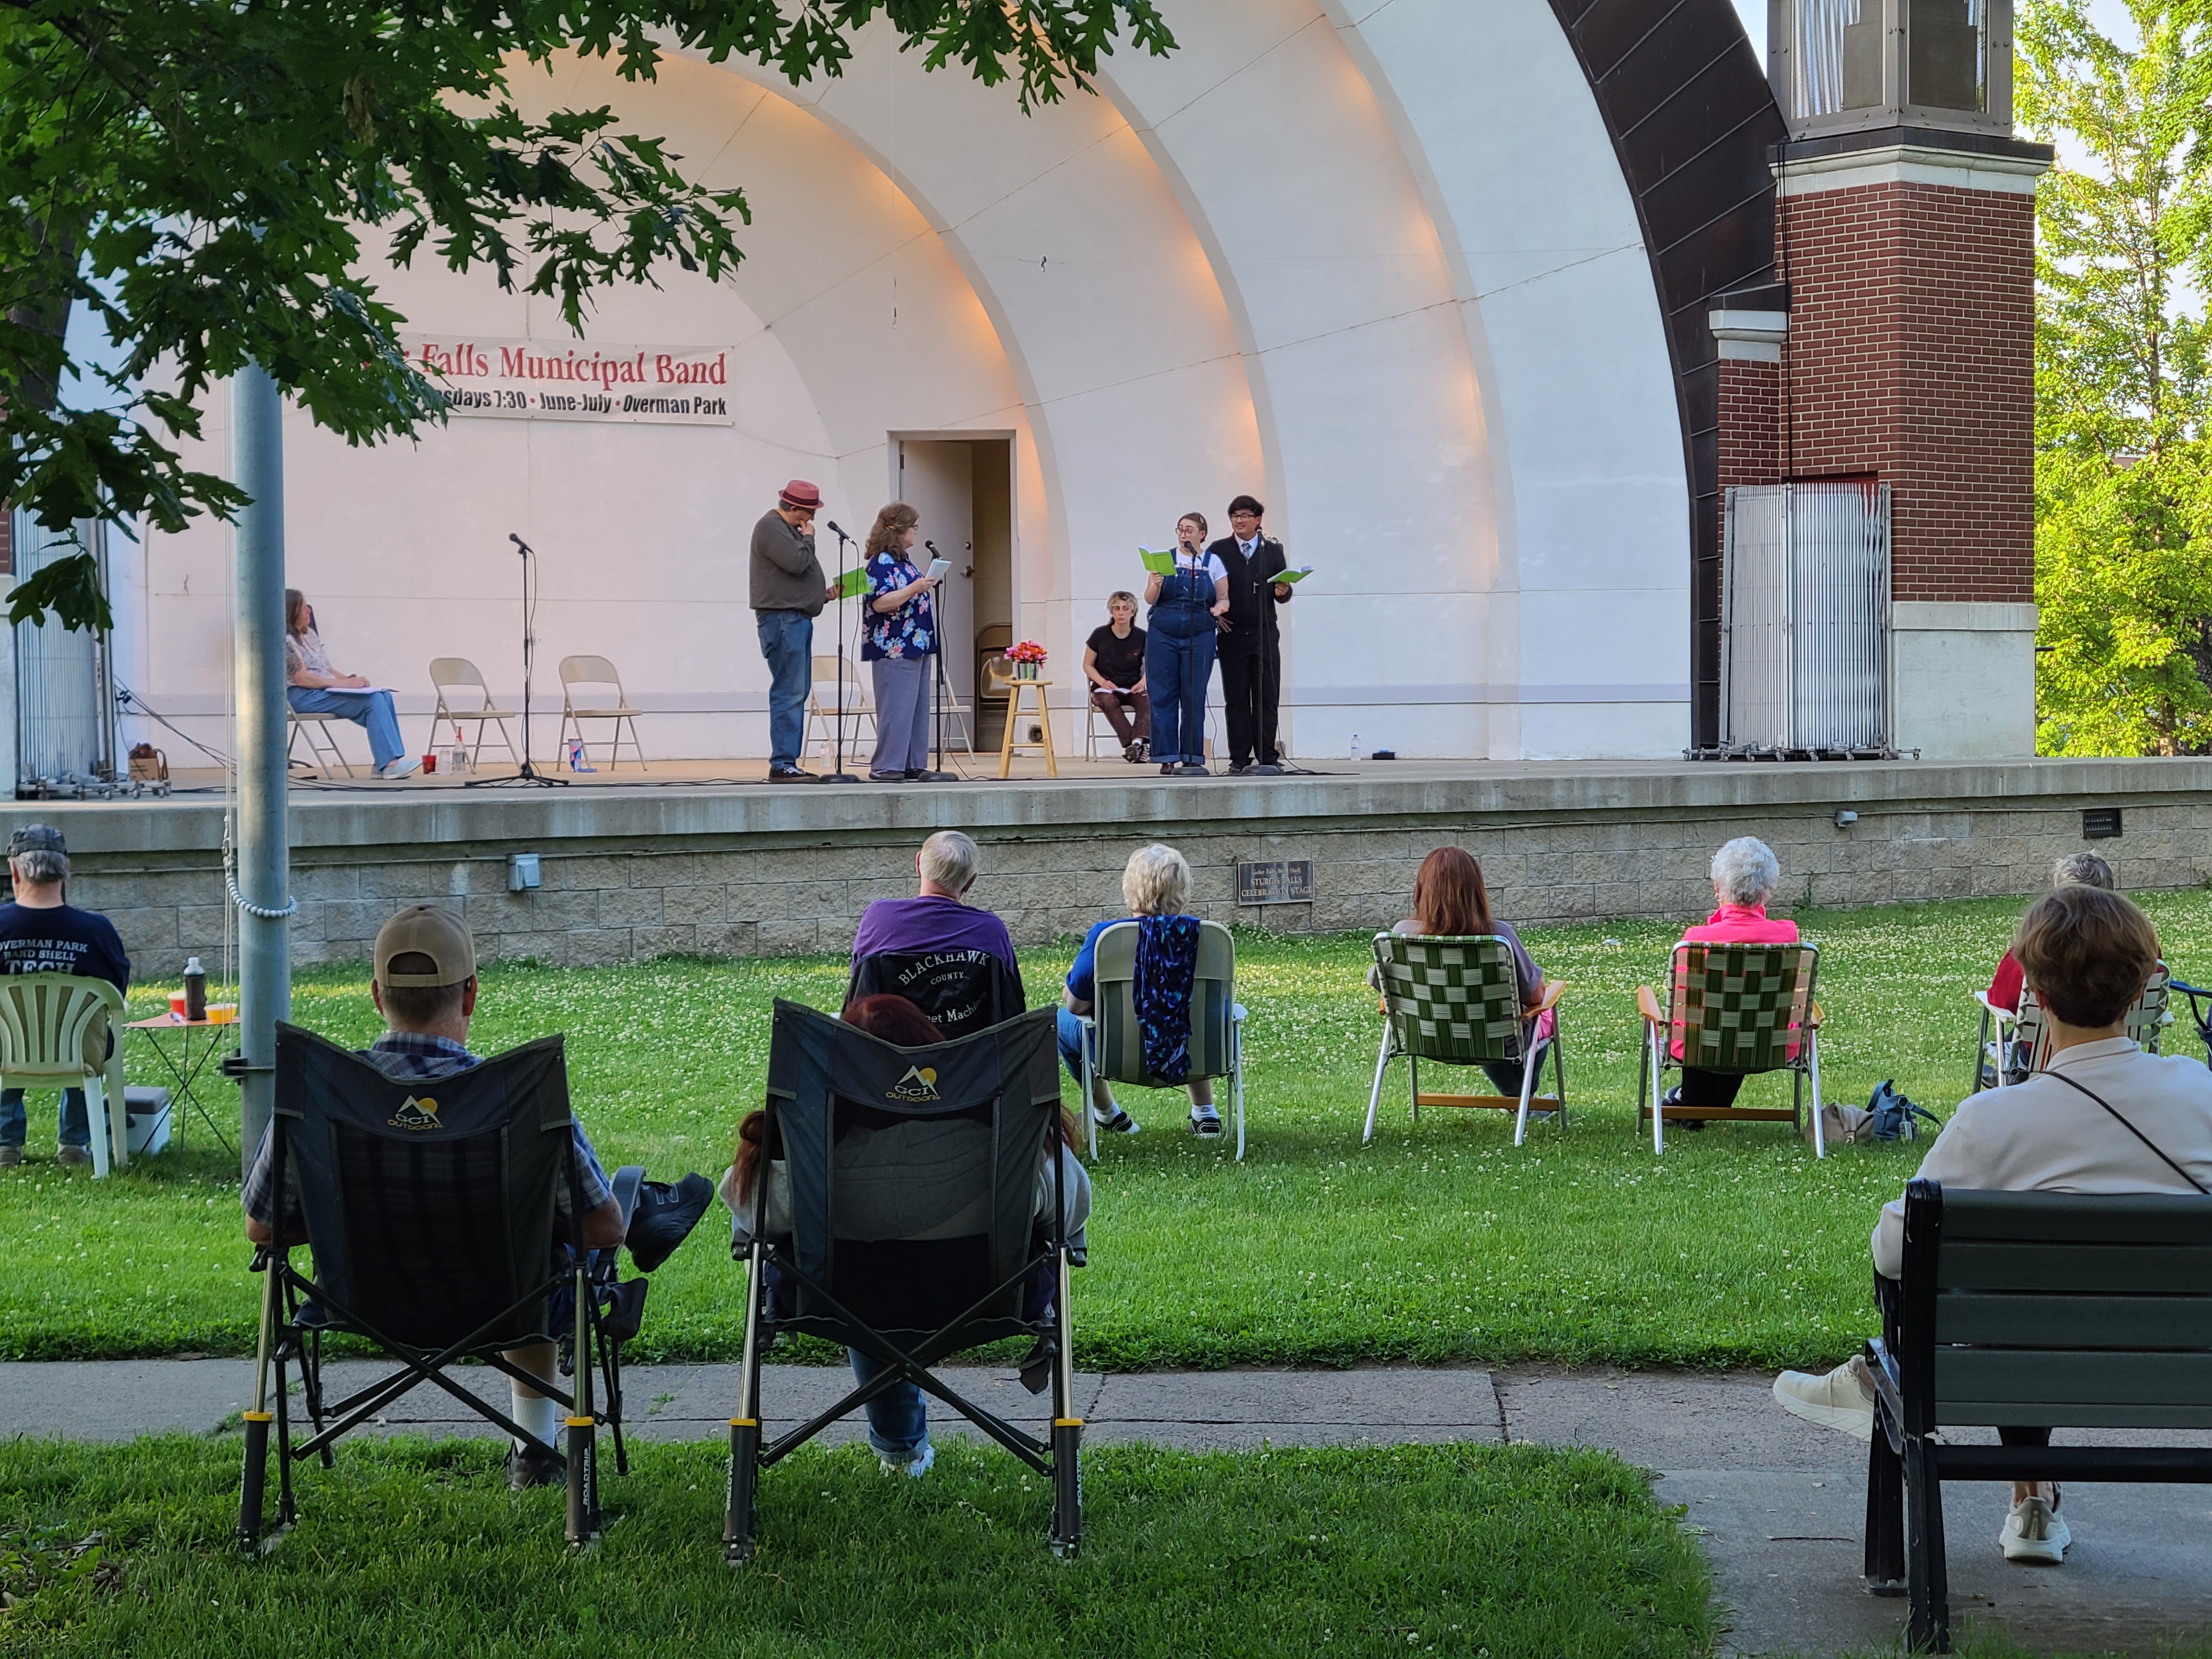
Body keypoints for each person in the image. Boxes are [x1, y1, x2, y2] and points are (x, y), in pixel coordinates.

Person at [1774, 886, 2212, 1567]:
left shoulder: (1995, 1120)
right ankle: (2027, 1496)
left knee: (1999, 1295)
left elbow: (1891, 1252)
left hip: (2016, 1367)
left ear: (2031, 988)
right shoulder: (2202, 1095)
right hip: (2188, 1369)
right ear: (2143, 988)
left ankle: (1891, 1389)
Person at [241, 905, 627, 1492]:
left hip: (362, 1301)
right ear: (470, 995)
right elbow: (602, 1230)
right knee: (550, 1261)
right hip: (505, 1300)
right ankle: (535, 1450)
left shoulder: (320, 1096)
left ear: (376, 995)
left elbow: (262, 1230)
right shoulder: (520, 1100)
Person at [720, 994, 1092, 1477]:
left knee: (866, 1280)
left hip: (840, 1301)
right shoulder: (1006, 1140)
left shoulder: (806, 1155)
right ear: (937, 1052)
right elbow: (1070, 1212)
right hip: (989, 1297)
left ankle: (901, 1452)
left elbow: (750, 1213)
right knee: (895, 1275)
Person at [1058, 843, 1223, 1138]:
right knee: (1190, 1013)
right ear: (1183, 889)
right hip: (1192, 1050)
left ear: (1131, 888)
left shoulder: (1106, 938)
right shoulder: (1209, 938)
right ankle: (1206, 1113)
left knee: (1060, 1022)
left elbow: (1075, 1007)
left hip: (1119, 1055)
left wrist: (1071, 987)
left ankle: (1108, 1114)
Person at [1374, 847, 1552, 1102]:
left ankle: (1520, 1100)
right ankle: (1523, 1099)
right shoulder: (1499, 937)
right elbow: (1537, 996)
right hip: (1495, 1041)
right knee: (1543, 1014)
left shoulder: (1403, 935)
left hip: (1425, 1037)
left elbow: (1384, 986)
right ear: (1476, 891)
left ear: (1422, 889)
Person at [0, 825, 129, 1169]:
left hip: (5, 1052)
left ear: (14, 871)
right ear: (66, 871)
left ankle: (5, 1144)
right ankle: (75, 1143)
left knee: (7, 1036)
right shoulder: (97, 931)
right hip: (80, 1054)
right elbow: (117, 994)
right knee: (84, 1031)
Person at [1657, 837, 1799, 1126]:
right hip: (1771, 1044)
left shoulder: (1696, 941)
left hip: (1701, 1046)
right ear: (1769, 890)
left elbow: (1687, 1004)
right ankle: (1694, 1104)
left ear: (1718, 887)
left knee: (1710, 1022)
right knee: (1739, 1019)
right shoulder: (1787, 937)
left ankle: (1690, 1104)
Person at [848, 831, 1025, 1028]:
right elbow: (1011, 1002)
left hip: (890, 1053)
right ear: (971, 881)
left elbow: (860, 988)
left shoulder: (878, 918)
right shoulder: (991, 930)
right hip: (972, 1055)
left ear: (918, 865)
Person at [751, 479, 840, 783]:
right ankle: (783, 763)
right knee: (789, 691)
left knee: (797, 690)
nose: (811, 520)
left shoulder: (787, 531)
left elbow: (792, 577)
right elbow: (797, 562)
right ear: (794, 508)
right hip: (783, 622)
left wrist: (822, 595)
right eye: (809, 513)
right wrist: (810, 538)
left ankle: (788, 761)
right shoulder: (771, 527)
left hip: (796, 620)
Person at [283, 590, 419, 779]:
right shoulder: (286, 641)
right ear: (292, 612)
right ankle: (389, 764)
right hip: (303, 695)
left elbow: (327, 668)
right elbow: (303, 679)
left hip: (324, 690)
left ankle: (382, 765)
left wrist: (351, 680)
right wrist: (344, 684)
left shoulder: (311, 635)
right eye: (303, 607)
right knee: (372, 701)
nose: (309, 611)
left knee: (383, 696)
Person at [1207, 494, 1292, 774]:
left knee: (1267, 695)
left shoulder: (1272, 550)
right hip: (1232, 634)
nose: (1239, 521)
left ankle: (1267, 755)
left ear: (1258, 520)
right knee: (1237, 698)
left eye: (1245, 516)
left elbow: (1283, 588)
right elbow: (1209, 590)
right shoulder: (1219, 550)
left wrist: (1284, 591)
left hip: (1265, 633)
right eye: (1234, 516)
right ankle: (1239, 758)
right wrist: (1215, 617)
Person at [859, 503, 941, 781]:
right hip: (892, 646)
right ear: (899, 530)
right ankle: (887, 765)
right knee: (896, 706)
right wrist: (914, 588)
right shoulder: (881, 562)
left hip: (916, 643)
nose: (916, 532)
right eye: (914, 527)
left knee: (916, 707)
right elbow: (881, 602)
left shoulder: (904, 560)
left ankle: (912, 762)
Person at [1143, 514, 1229, 777]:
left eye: (1189, 530)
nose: (1183, 534)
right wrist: (1156, 585)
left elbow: (1224, 597)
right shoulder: (1165, 559)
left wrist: (1219, 607)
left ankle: (1192, 757)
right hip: (1163, 634)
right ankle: (1166, 757)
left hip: (1199, 633)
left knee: (1193, 695)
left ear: (1202, 534)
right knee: (1163, 695)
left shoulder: (1212, 562)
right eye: (1180, 530)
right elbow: (1149, 599)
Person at [1986, 853, 2114, 1015]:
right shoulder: (2137, 945)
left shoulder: (2038, 947)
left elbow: (2004, 999)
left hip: (2049, 1038)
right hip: (2124, 1037)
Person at [1084, 592, 1150, 763]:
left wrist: (1143, 682)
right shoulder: (1100, 635)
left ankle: (1136, 744)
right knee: (1109, 701)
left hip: (1132, 686)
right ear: (1111, 612)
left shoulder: (1141, 636)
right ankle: (1135, 745)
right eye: (1116, 608)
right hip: (1104, 688)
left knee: (1148, 699)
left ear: (1133, 612)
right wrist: (1102, 682)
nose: (1121, 613)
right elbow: (1087, 665)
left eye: (1125, 608)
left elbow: (1151, 666)